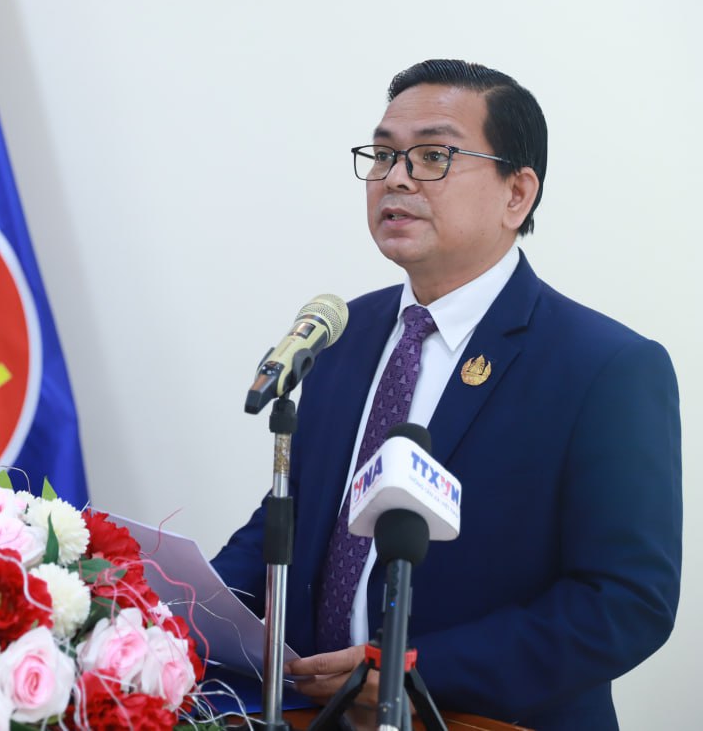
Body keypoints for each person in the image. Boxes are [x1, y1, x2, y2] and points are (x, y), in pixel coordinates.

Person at [210, 59, 681, 731]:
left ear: (517, 194)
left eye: (433, 156)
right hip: (315, 715)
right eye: (382, 155)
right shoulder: (344, 333)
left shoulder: (604, 366)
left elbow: (626, 602)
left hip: (479, 719)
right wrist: (178, 608)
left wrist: (409, 668)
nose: (395, 178)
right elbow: (296, 517)